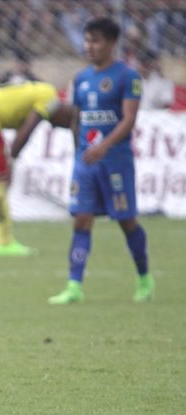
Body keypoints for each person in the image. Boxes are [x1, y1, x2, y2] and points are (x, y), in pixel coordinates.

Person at [51, 17, 152, 305]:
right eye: (86, 40)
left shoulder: (127, 77)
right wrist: (78, 152)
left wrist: (104, 147)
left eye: (95, 41)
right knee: (81, 220)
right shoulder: (81, 78)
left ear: (111, 43)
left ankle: (144, 277)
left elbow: (129, 120)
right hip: (86, 162)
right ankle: (74, 286)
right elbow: (77, 119)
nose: (89, 46)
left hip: (115, 161)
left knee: (125, 220)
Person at [0, 77, 68, 257]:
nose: (54, 125)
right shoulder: (50, 98)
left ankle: (3, 240)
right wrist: (12, 158)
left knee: (3, 179)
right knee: (1, 179)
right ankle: (3, 243)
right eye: (61, 123)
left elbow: (15, 112)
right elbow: (27, 129)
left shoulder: (42, 92)